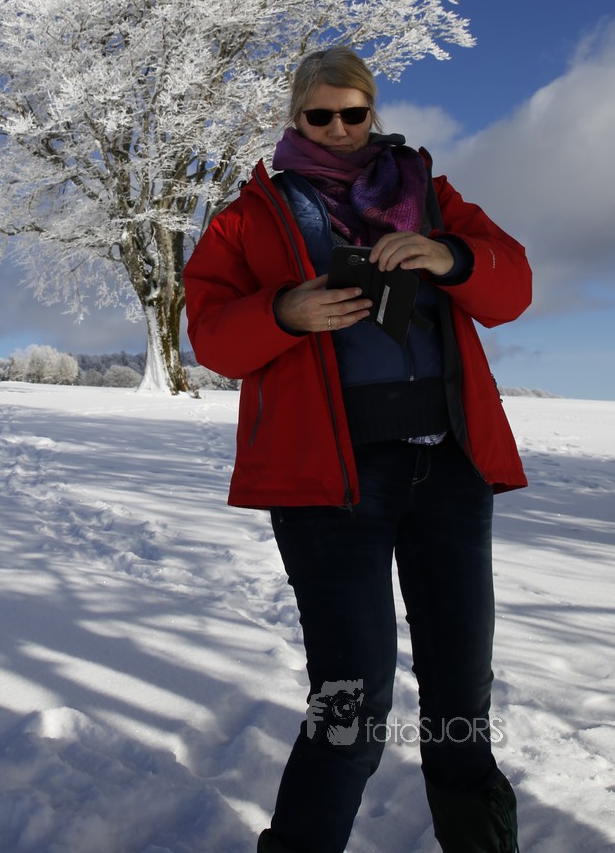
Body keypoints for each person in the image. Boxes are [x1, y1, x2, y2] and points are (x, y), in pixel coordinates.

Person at [183, 47, 531, 853]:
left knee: (459, 697)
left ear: (372, 111)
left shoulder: (429, 193)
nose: (339, 128)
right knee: (351, 698)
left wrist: (447, 255)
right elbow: (210, 336)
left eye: (354, 113)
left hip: (447, 468)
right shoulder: (249, 216)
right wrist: (283, 311)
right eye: (320, 115)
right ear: (295, 116)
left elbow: (511, 286)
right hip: (326, 482)